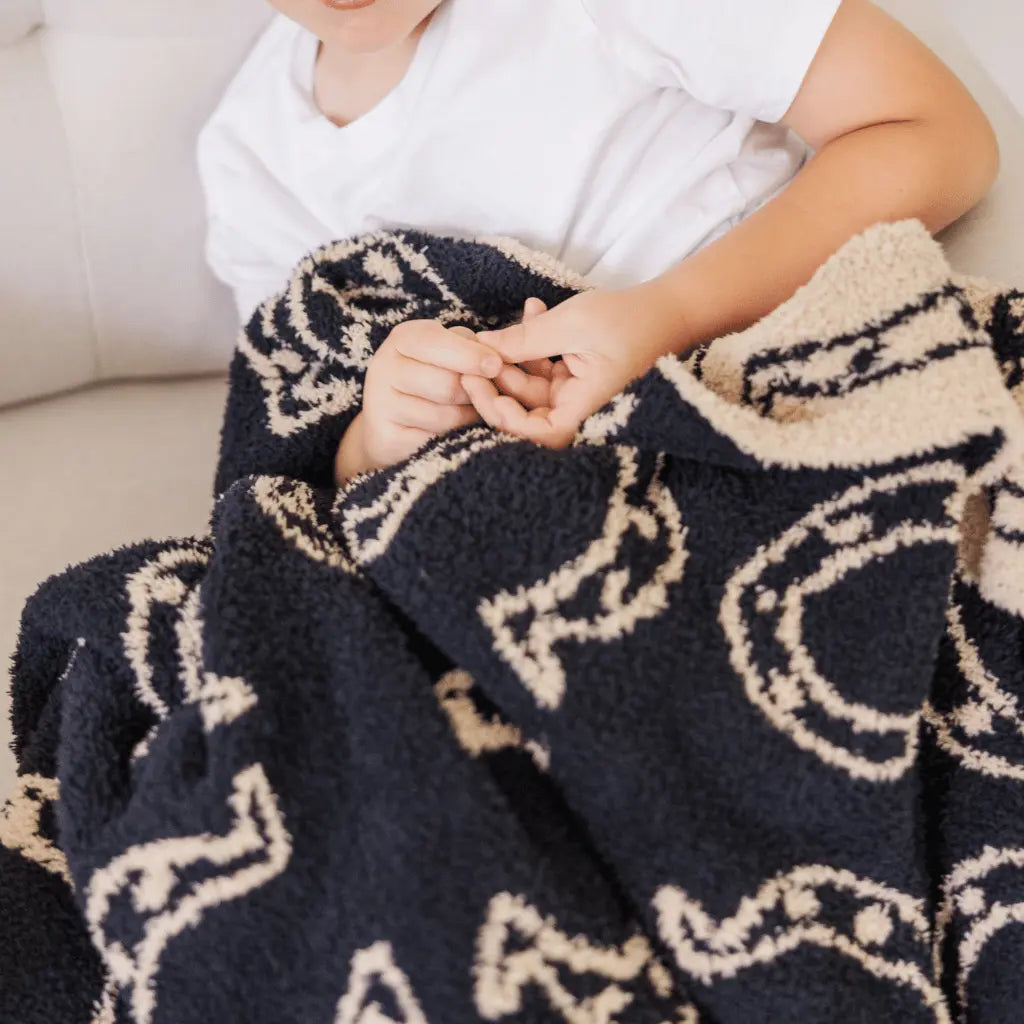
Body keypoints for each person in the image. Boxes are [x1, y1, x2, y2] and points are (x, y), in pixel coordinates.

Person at [196, 0, 1000, 483]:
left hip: (739, 391)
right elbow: (297, 452)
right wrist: (382, 432)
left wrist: (669, 313)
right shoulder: (251, 153)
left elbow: (937, 137)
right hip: (494, 511)